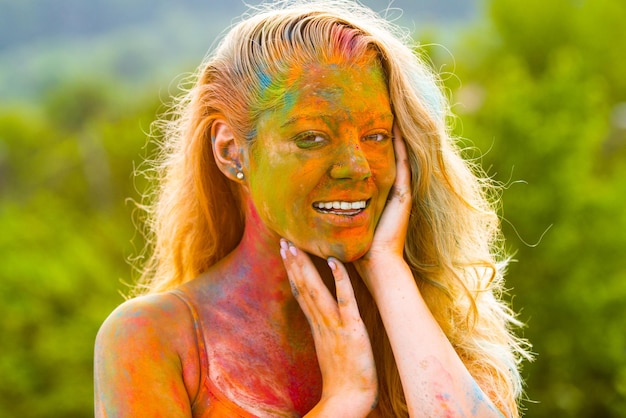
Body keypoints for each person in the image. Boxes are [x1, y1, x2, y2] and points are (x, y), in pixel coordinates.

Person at [94, 1, 531, 416]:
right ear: (231, 152)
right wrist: (342, 401)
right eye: (312, 138)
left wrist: (387, 271)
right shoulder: (153, 338)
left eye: (375, 136)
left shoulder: (430, 321)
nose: (356, 167)